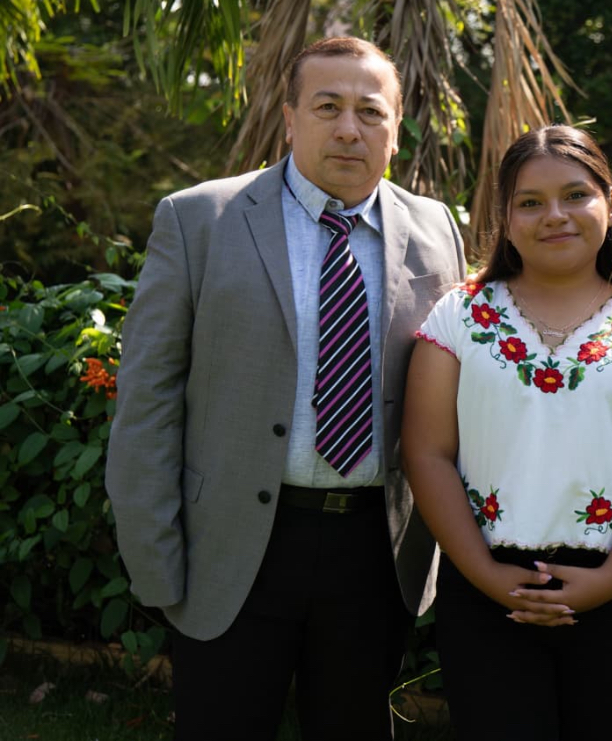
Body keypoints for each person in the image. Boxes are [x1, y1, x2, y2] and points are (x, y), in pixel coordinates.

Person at [105, 36, 466, 741]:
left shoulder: (435, 229)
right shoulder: (198, 219)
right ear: (289, 116)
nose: (347, 128)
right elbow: (147, 401)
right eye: (327, 106)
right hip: (231, 548)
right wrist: (154, 554)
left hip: (375, 551)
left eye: (370, 111)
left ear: (395, 128)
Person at [401, 125, 612, 741]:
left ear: (610, 205)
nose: (554, 216)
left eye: (575, 196)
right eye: (530, 203)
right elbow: (426, 453)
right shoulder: (458, 317)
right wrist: (488, 577)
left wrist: (609, 582)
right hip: (486, 591)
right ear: (504, 219)